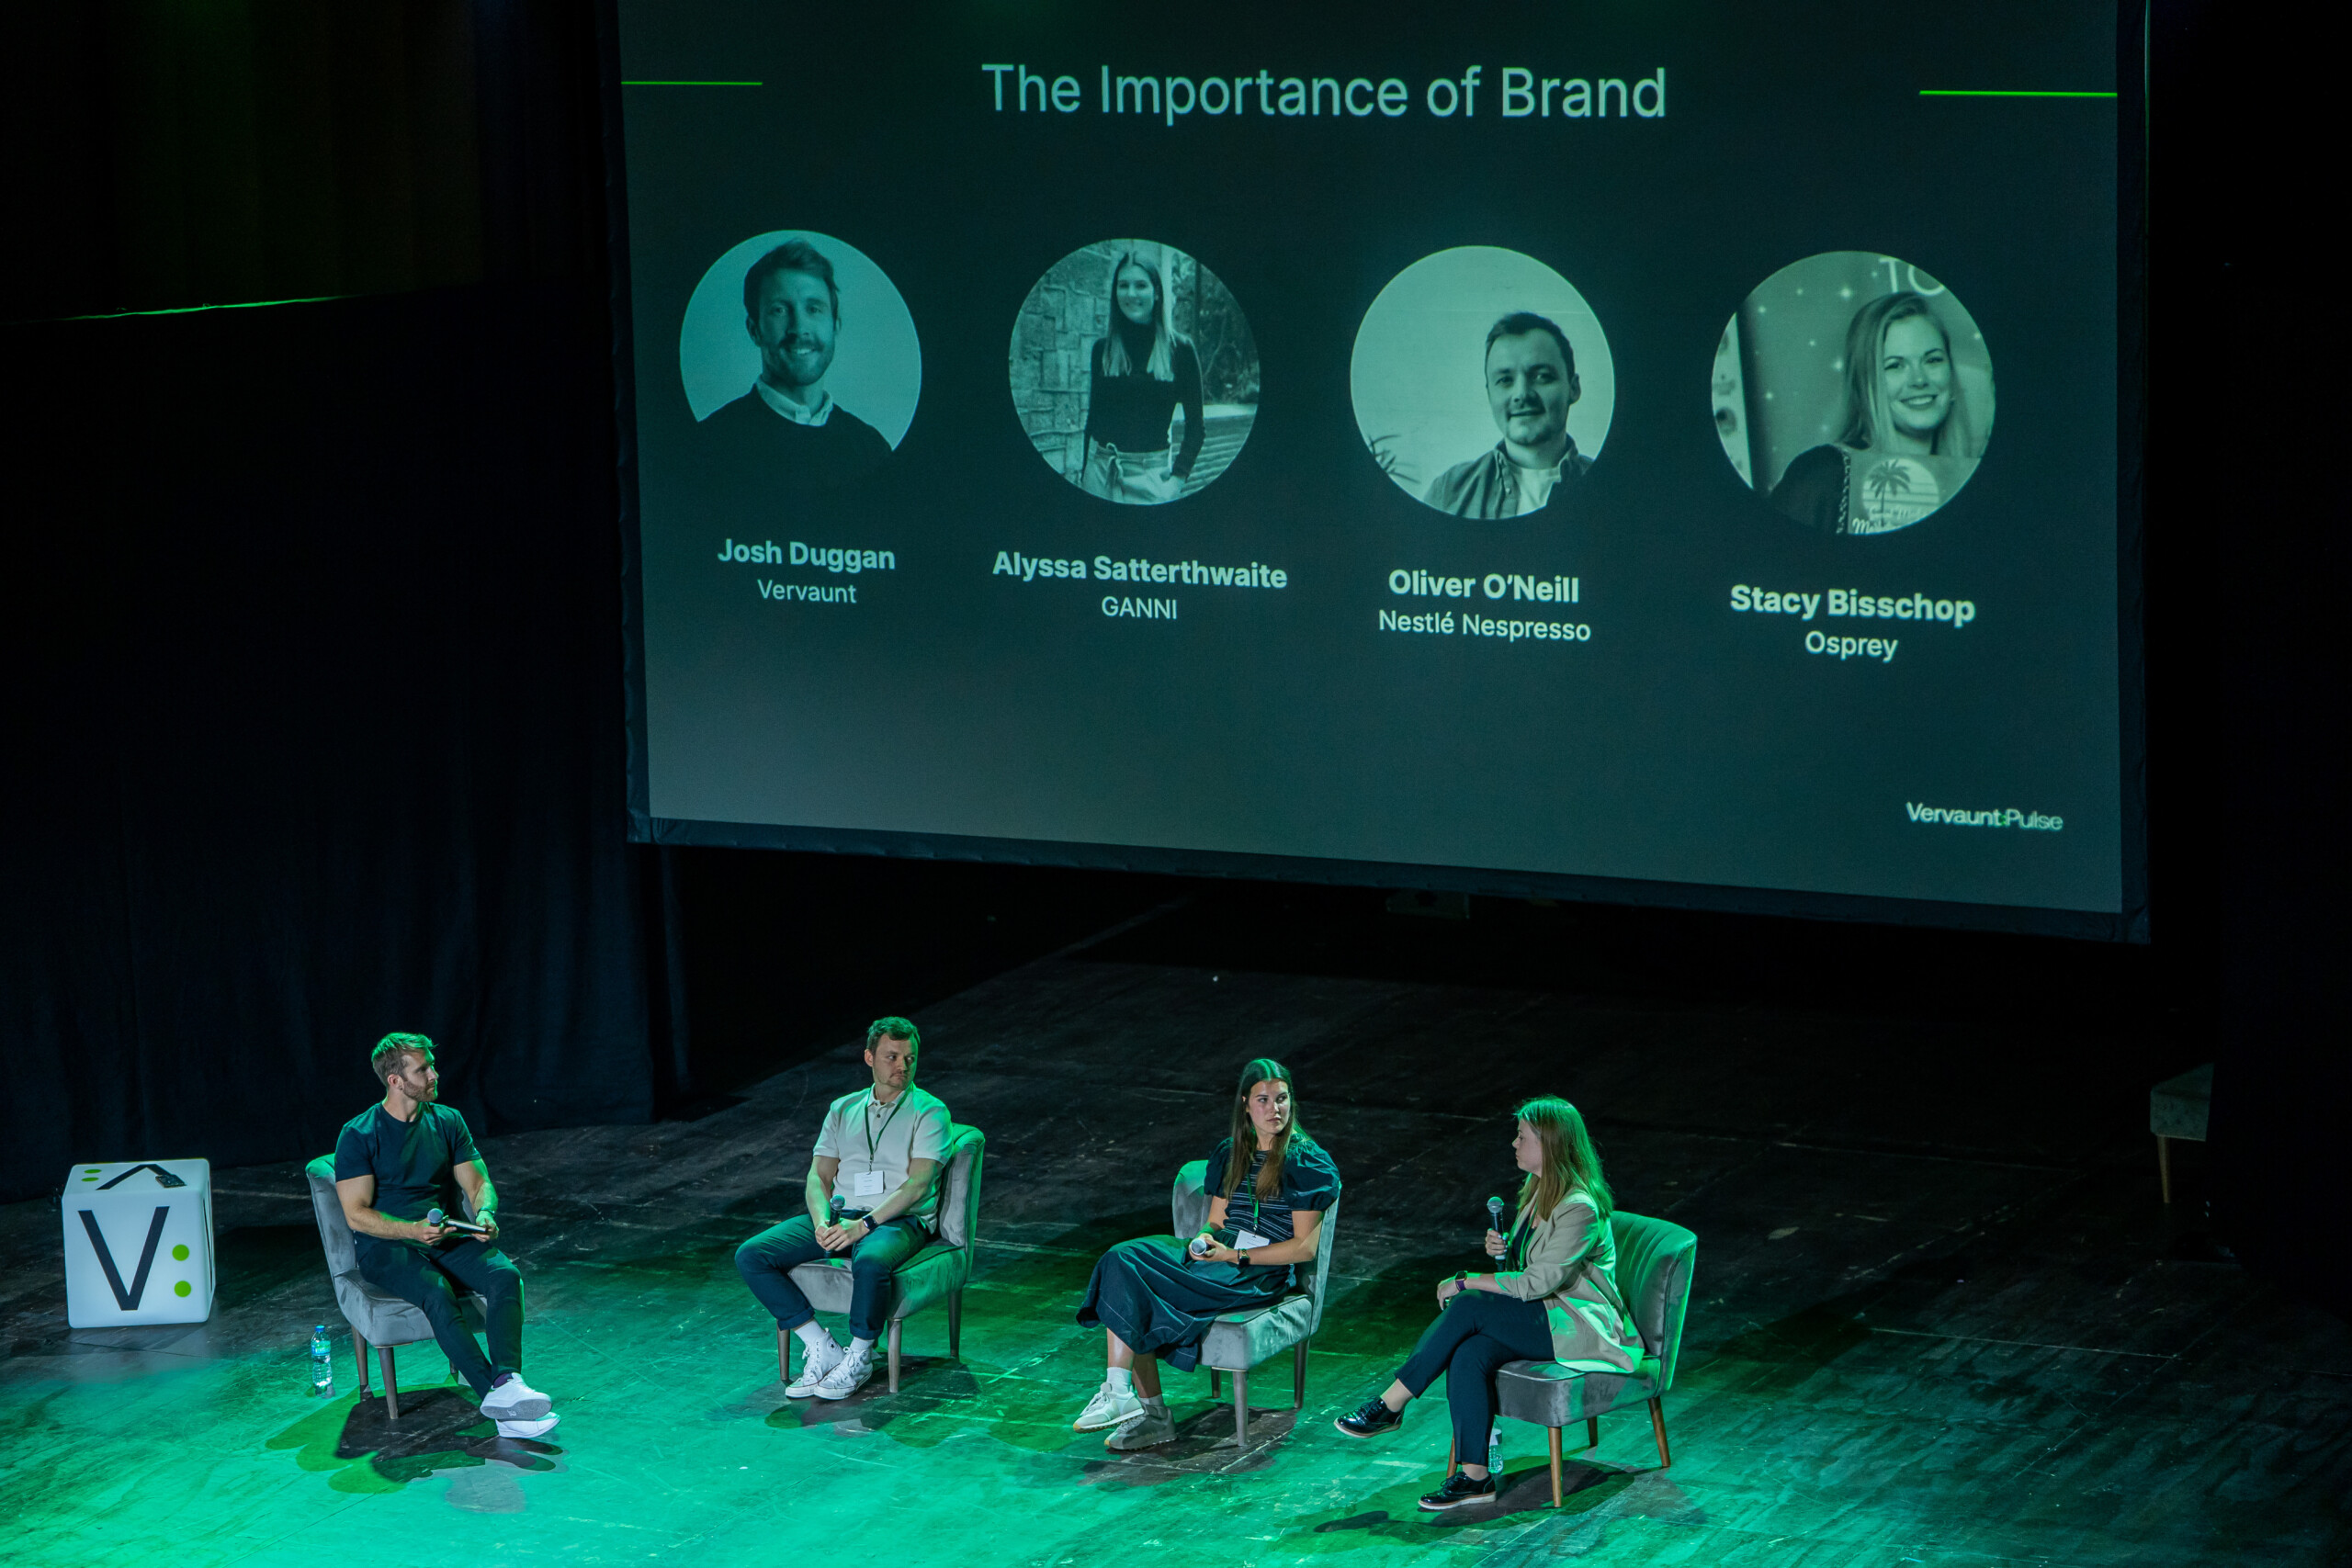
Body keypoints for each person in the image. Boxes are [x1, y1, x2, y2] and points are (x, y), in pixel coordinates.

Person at [1334, 1098, 1645, 1512]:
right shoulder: (1538, 1191)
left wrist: (1464, 1280)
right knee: (1469, 1352)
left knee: (1469, 1303)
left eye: (1523, 1136)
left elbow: (1538, 1282)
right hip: (1544, 1317)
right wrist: (1505, 1249)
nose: (1514, 1144)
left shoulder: (1579, 1208)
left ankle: (1391, 1404)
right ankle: (1475, 1476)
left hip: (1575, 1327)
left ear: (1549, 1144)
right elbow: (1530, 1270)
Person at [1070, 1057, 1340, 1450]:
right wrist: (1204, 1241)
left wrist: (1234, 1258)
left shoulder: (1306, 1161)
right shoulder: (1230, 1152)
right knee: (1121, 1259)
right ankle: (1121, 1393)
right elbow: (1215, 1220)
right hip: (1221, 1259)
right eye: (1263, 1100)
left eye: (1282, 1099)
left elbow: (1303, 1247)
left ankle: (1151, 1414)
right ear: (1245, 1103)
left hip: (1257, 1272)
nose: (1274, 1109)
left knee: (1138, 1284)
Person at [333, 1033, 557, 1438]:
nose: (434, 1074)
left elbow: (478, 1182)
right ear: (396, 1081)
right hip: (387, 1247)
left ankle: (507, 1383)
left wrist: (485, 1211)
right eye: (423, 1069)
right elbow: (356, 1215)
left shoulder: (447, 1120)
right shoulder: (359, 1134)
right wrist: (411, 1230)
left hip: (446, 1235)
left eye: (432, 1065)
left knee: (504, 1275)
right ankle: (498, 1399)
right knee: (436, 1292)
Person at [735, 1017, 950, 1401]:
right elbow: (817, 1177)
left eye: (910, 1057)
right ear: (869, 1057)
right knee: (753, 1254)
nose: (903, 1065)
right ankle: (819, 1344)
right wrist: (821, 1222)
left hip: (897, 1219)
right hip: (841, 1214)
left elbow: (918, 1185)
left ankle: (861, 1354)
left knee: (870, 1262)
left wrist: (863, 1225)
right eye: (892, 1056)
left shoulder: (930, 1112)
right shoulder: (843, 1109)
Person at [1769, 290, 1986, 535]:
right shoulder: (1820, 478)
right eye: (1895, 365)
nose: (1919, 380)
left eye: (1933, 360)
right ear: (1865, 384)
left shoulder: (1977, 483)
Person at [700, 238, 892, 491]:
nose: (799, 328)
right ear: (754, 329)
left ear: (835, 326)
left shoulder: (872, 449)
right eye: (779, 310)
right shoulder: (709, 444)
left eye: (813, 309)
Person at [1423, 312, 1595, 518]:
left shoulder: (1612, 487)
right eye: (1505, 380)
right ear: (1489, 394)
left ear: (1573, 388)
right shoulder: (1448, 493)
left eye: (1542, 376)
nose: (1522, 394)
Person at [1075, 250, 1204, 505]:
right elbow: (1093, 420)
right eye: (1123, 285)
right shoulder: (1103, 349)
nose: (1131, 294)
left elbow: (1196, 428)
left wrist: (1176, 482)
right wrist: (1084, 475)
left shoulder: (1181, 350)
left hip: (1151, 478)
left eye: (1140, 285)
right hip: (1099, 474)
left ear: (1156, 292)